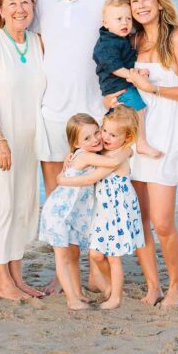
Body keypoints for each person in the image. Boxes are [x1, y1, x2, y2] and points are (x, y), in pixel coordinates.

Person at [119, 0, 178, 309]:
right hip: (136, 138)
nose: (140, 5)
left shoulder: (177, 38)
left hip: (167, 136)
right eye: (134, 1)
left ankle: (176, 285)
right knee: (140, 220)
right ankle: (153, 286)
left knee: (163, 222)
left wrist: (154, 90)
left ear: (158, 1)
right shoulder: (131, 40)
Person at [0, 0, 47, 301]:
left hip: (30, 139)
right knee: (2, 204)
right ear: (1, 10)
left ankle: (17, 278)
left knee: (23, 205)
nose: (19, 9)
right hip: (0, 136)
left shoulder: (38, 42)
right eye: (12, 4)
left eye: (25, 3)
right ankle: (3, 281)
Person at [34, 0, 118, 198]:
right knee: (55, 189)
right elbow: (29, 39)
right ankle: (57, 240)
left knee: (95, 189)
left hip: (95, 108)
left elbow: (129, 33)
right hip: (52, 110)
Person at [55, 106, 144, 311]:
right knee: (96, 255)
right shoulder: (103, 152)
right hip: (102, 212)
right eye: (104, 131)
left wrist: (61, 180)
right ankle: (110, 285)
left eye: (113, 134)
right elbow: (83, 156)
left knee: (113, 257)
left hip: (117, 210)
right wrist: (69, 157)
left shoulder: (119, 154)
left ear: (127, 137)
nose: (105, 137)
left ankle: (115, 296)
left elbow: (91, 178)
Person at [38, 113, 130, 310]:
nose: (96, 139)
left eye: (97, 132)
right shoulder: (86, 156)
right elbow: (112, 164)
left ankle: (78, 292)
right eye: (87, 138)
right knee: (63, 257)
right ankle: (72, 298)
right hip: (59, 213)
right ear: (76, 143)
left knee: (74, 255)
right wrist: (128, 151)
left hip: (72, 214)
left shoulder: (88, 154)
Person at [93, 0, 162, 159]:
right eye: (119, 19)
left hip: (122, 84)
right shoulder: (107, 43)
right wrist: (133, 75)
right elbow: (114, 66)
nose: (125, 23)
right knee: (139, 109)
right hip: (117, 87)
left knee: (121, 118)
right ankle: (141, 143)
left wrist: (136, 72)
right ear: (106, 23)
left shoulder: (119, 39)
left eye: (128, 18)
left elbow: (126, 61)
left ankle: (115, 144)